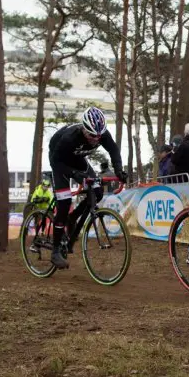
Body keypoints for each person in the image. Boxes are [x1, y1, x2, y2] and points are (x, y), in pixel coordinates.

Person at [48, 106, 127, 268]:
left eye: (98, 136)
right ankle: (55, 251)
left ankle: (73, 218)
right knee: (64, 204)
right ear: (83, 128)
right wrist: (74, 174)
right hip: (60, 161)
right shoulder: (69, 138)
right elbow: (56, 162)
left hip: (78, 159)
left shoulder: (100, 133)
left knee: (97, 192)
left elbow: (113, 150)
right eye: (91, 135)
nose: (95, 140)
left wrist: (119, 170)